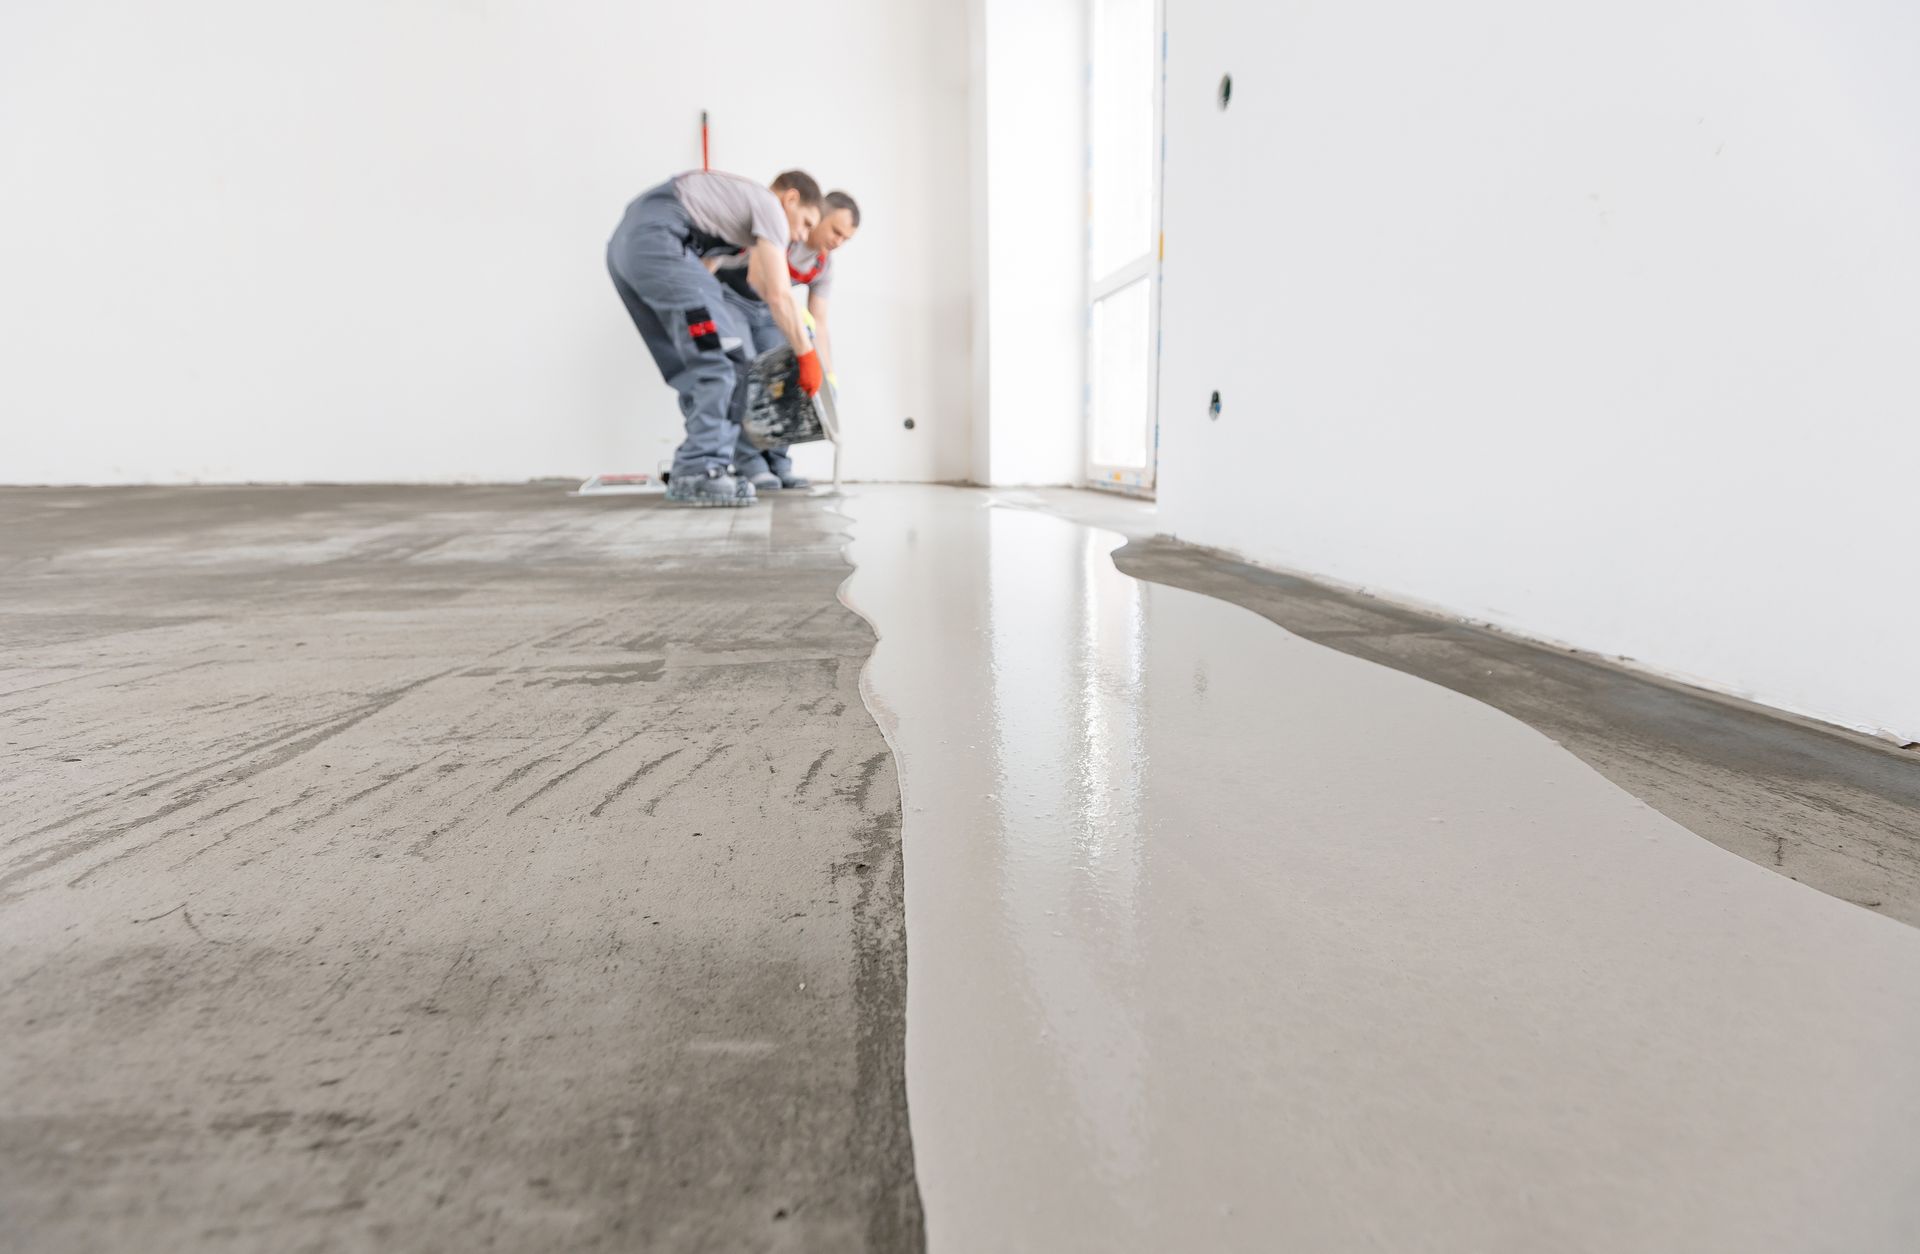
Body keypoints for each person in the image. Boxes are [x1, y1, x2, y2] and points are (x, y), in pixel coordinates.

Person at [607, 170, 825, 507]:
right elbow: (780, 296)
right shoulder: (769, 206)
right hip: (659, 239)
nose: (803, 234)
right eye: (807, 223)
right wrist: (807, 356)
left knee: (692, 366)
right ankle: (700, 468)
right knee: (726, 359)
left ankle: (702, 466)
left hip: (627, 250)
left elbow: (706, 275)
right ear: (791, 199)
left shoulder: (730, 214)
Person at [707, 190, 860, 491]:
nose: (838, 242)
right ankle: (749, 461)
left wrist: (826, 373)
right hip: (733, 300)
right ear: (818, 217)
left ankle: (778, 461)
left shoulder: (823, 265)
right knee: (748, 368)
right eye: (835, 231)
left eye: (846, 238)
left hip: (770, 309)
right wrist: (793, 317)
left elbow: (820, 322)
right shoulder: (782, 232)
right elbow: (757, 279)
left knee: (789, 376)